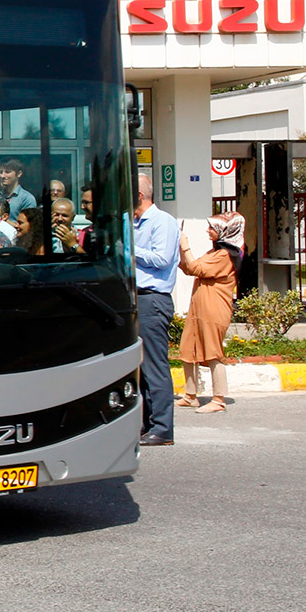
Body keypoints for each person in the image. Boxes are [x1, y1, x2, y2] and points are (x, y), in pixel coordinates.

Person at [133, 173, 181, 446]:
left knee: (154, 366)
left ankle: (162, 428)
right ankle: (145, 424)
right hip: (136, 298)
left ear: (139, 196)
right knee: (140, 368)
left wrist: (130, 249)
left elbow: (162, 258)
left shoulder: (162, 221)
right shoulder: (134, 222)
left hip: (153, 298)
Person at [179, 213, 243, 415]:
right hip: (198, 308)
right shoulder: (214, 252)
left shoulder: (226, 255)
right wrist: (180, 250)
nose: (208, 230)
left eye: (212, 228)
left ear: (225, 231)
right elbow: (189, 268)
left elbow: (197, 268)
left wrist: (185, 246)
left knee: (213, 352)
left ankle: (218, 399)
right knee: (188, 349)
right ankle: (190, 395)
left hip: (213, 309)